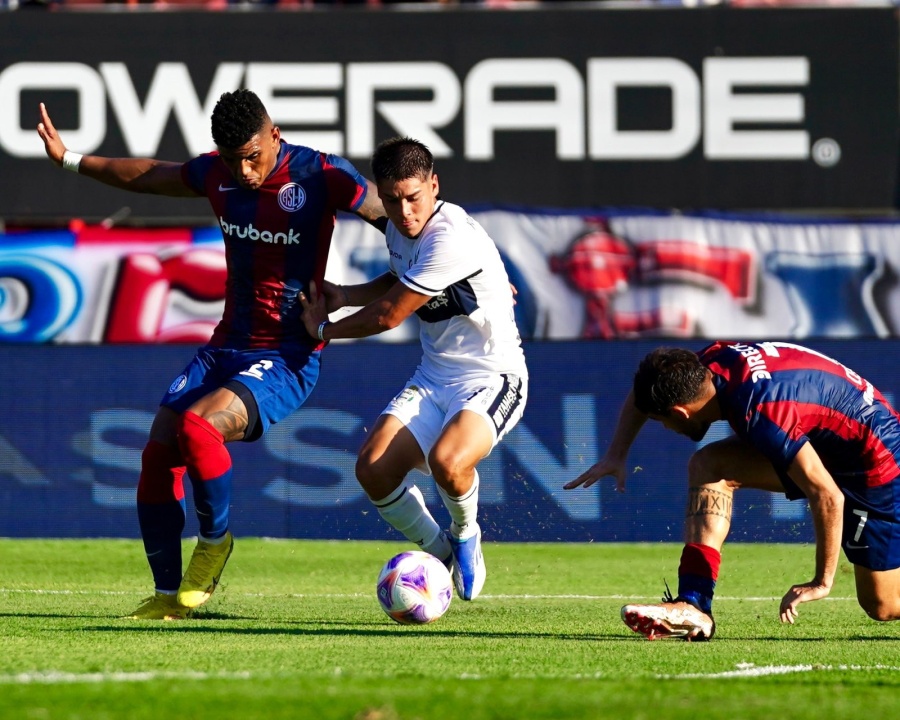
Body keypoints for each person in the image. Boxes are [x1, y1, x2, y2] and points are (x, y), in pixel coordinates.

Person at [37, 89, 387, 619]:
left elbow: (402, 219)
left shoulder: (320, 174)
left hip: (289, 353)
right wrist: (70, 159)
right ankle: (166, 596)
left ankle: (216, 541)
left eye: (253, 156)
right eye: (232, 160)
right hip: (225, 345)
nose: (245, 171)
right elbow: (151, 173)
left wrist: (459, 267)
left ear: (274, 134)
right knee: (158, 451)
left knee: (199, 428)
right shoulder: (216, 175)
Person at [298, 137, 527, 601]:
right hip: (434, 376)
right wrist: (345, 294)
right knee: (372, 471)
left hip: (493, 375)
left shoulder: (450, 236)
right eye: (392, 199)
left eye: (413, 197)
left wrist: (322, 329)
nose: (404, 212)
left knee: (448, 462)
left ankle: (465, 535)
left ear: (434, 185)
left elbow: (390, 314)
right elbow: (399, 277)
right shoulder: (399, 229)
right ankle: (437, 550)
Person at [565, 341, 900, 640]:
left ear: (680, 412)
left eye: (662, 421)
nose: (666, 428)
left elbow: (828, 496)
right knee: (709, 465)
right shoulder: (708, 363)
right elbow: (645, 395)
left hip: (874, 464)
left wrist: (821, 581)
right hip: (831, 441)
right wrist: (616, 454)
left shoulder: (761, 410)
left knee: (882, 605)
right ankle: (693, 604)